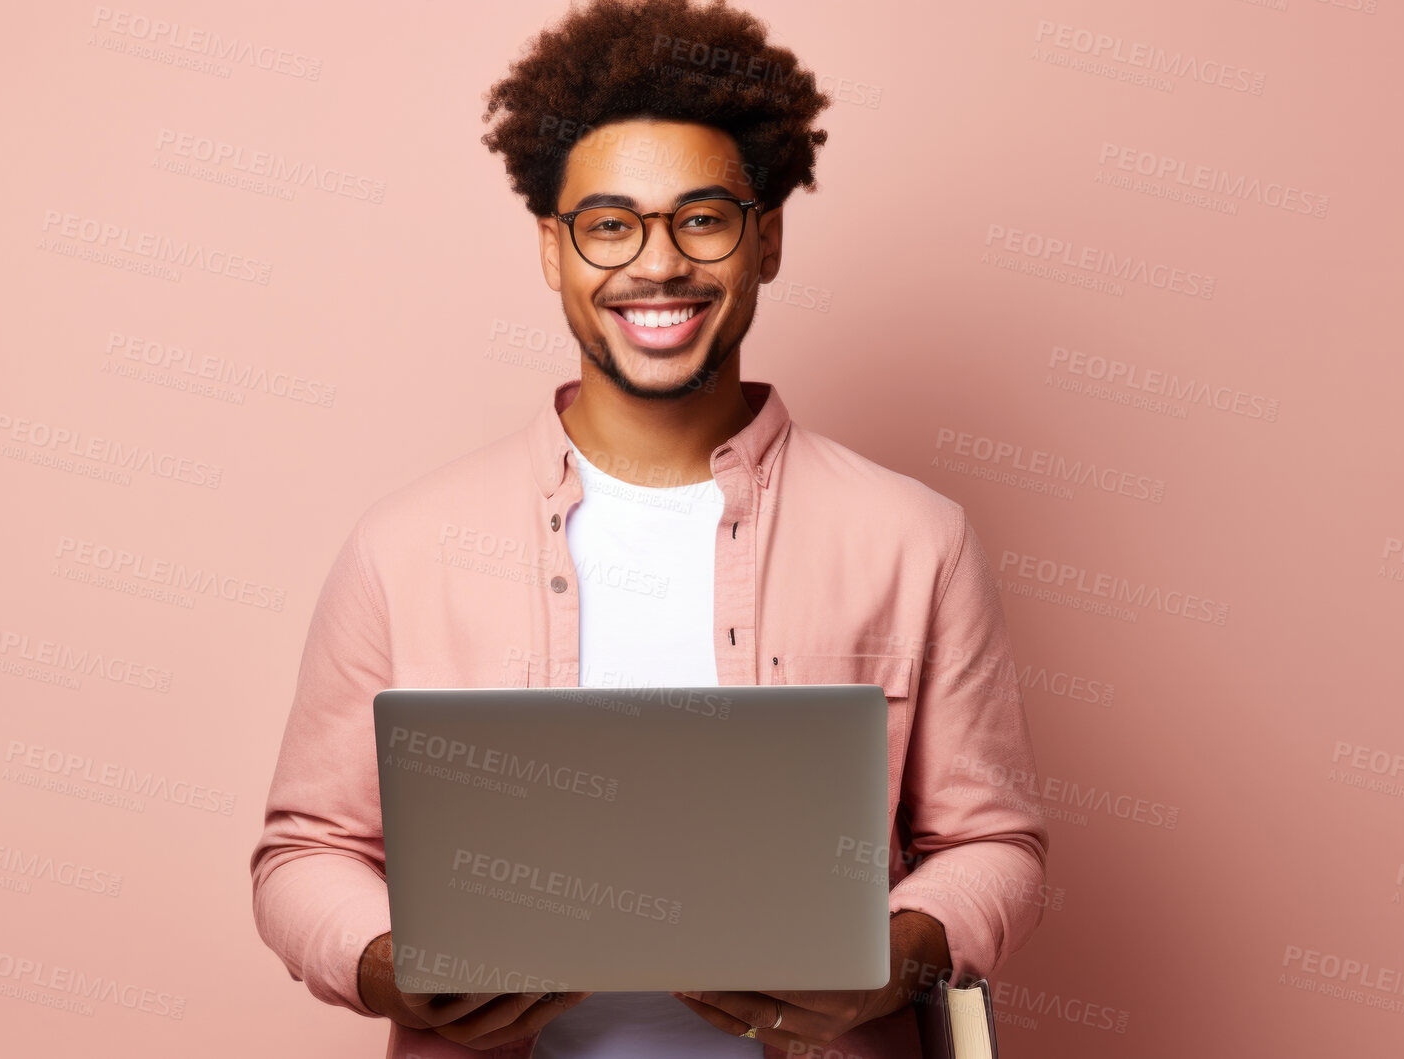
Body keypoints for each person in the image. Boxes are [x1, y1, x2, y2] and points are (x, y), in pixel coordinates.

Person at [248, 1, 1049, 1056]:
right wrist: (381, 961)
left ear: (764, 238)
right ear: (554, 249)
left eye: (702, 217)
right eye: (610, 223)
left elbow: (993, 841)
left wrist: (898, 951)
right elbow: (305, 849)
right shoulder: (405, 546)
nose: (657, 264)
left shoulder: (914, 536)